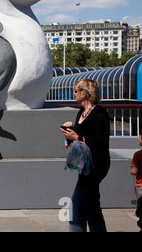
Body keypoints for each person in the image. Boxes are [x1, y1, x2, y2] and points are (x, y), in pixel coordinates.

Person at [61, 79, 110, 232]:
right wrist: (69, 132)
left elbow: (101, 140)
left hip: (97, 165)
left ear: (85, 93)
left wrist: (76, 137)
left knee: (77, 203)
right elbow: (77, 141)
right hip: (84, 165)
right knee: (92, 204)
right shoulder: (81, 113)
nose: (74, 93)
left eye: (76, 90)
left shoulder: (99, 112)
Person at [130, 129, 142, 231]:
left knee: (141, 207)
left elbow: (134, 170)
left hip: (141, 186)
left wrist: (132, 171)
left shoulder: (138, 155)